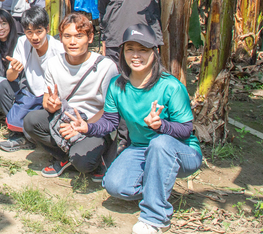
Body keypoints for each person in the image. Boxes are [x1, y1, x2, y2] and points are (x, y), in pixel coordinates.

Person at [63, 24, 201, 234]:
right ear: (122, 53)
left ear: (154, 53)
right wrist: (87, 127)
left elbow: (186, 130)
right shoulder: (117, 85)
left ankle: (155, 218)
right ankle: (158, 184)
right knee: (115, 186)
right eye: (130, 49)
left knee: (160, 142)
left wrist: (161, 125)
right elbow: (109, 122)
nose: (136, 55)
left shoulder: (171, 86)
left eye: (143, 50)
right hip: (139, 148)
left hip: (181, 151)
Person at [22, 12, 119, 180]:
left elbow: (109, 110)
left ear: (90, 38)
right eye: (67, 36)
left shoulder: (106, 67)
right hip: (65, 118)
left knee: (83, 162)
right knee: (30, 122)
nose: (72, 42)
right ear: (61, 38)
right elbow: (47, 99)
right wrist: (51, 105)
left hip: (93, 124)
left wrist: (84, 126)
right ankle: (66, 157)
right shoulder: (54, 63)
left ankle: (91, 155)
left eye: (79, 36)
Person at [0, 6, 64, 152]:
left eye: (39, 32)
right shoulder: (23, 42)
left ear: (47, 29)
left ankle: (30, 133)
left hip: (50, 95)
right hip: (31, 91)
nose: (34, 37)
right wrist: (14, 69)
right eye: (29, 32)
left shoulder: (58, 50)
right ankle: (19, 134)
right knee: (3, 87)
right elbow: (10, 77)